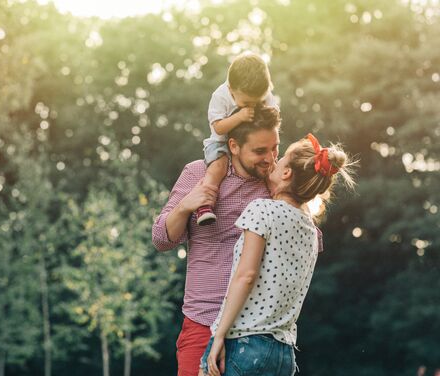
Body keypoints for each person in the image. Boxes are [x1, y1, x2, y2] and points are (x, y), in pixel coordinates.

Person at [200, 134, 356, 376]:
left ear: (286, 174)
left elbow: (246, 275)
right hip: (283, 355)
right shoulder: (310, 231)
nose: (274, 160)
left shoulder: (263, 209)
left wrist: (219, 333)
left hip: (243, 344)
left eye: (281, 159)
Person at [152, 106, 282, 376]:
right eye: (260, 151)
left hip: (258, 334)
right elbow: (161, 240)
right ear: (233, 146)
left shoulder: (276, 184)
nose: (270, 159)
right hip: (203, 323)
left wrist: (282, 192)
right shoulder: (198, 173)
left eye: (275, 149)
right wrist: (186, 206)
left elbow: (309, 243)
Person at [196, 52, 278, 225]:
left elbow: (273, 116)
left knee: (272, 169)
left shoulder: (264, 94)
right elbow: (218, 128)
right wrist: (240, 117)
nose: (253, 106)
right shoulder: (220, 96)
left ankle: (280, 200)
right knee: (217, 168)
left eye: (258, 102)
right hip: (220, 141)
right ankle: (204, 205)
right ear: (232, 89)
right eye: (247, 102)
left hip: (250, 142)